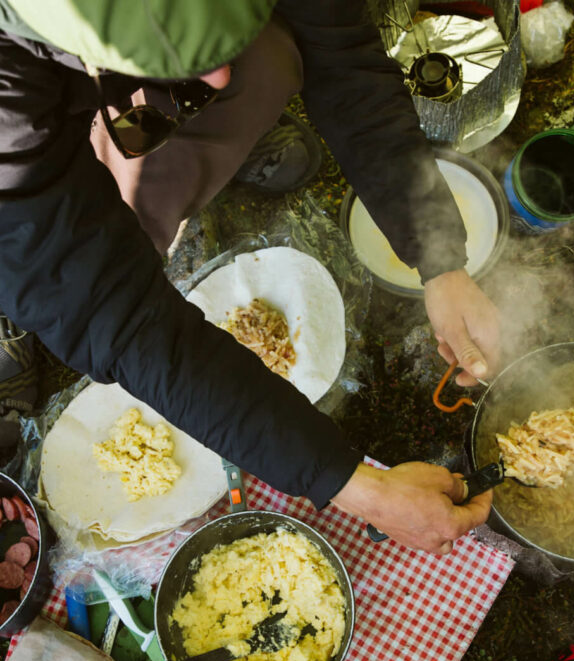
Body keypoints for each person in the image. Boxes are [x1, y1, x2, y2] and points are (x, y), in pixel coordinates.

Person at [0, 0, 497, 555]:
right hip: (25, 143)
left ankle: (180, 123)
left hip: (84, 76)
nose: (219, 78)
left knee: (265, 53)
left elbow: (343, 59)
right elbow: (119, 319)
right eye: (186, 64)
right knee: (75, 261)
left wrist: (439, 258)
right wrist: (358, 487)